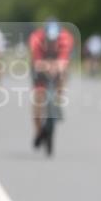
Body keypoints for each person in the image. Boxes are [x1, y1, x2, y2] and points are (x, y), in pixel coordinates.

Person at [29, 19, 73, 148]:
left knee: (63, 76)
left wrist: (56, 67)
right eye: (49, 40)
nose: (52, 42)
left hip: (57, 67)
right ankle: (39, 131)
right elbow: (36, 62)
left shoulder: (66, 38)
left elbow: (64, 60)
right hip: (40, 67)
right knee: (38, 101)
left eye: (54, 40)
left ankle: (58, 99)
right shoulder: (36, 38)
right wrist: (47, 66)